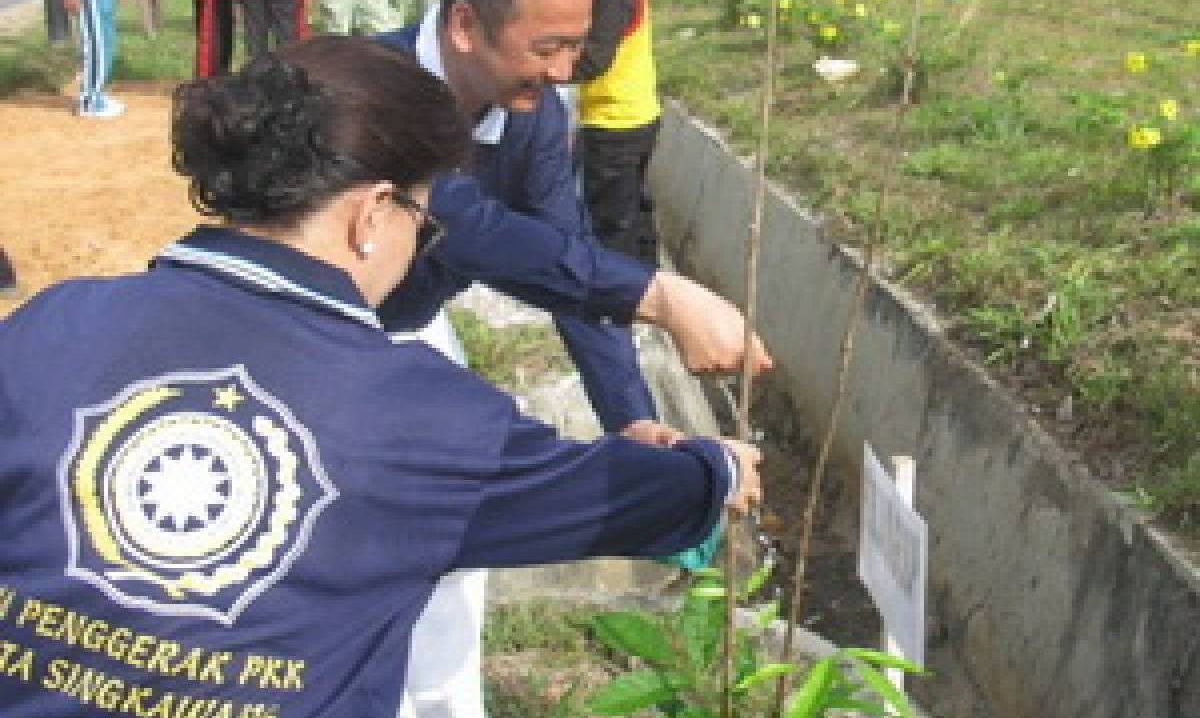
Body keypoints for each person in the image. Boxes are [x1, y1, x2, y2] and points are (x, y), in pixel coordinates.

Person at [0, 35, 762, 718]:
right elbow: (617, 495)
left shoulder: (54, 321)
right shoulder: (427, 416)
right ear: (372, 216)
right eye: (422, 224)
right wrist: (716, 468)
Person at [375, 0, 770, 716]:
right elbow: (466, 223)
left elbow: (564, 258)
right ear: (463, 24)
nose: (562, 73)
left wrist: (631, 419)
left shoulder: (531, 116)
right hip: (309, 337)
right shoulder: (370, 84)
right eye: (547, 48)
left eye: (575, 50)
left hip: (407, 329)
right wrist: (660, 295)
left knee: (450, 568)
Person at [564, 0, 662, 266]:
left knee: (611, 223)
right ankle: (651, 284)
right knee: (633, 209)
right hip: (636, 114)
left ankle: (616, 305)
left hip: (615, 121)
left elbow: (595, 58)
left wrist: (545, 70)